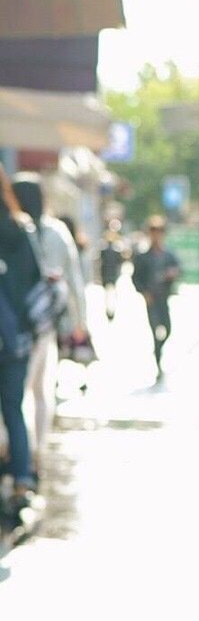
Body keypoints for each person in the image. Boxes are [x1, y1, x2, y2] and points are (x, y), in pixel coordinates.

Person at [12, 174, 88, 467]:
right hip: (46, 321)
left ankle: (19, 449)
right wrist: (80, 321)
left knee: (21, 391)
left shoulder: (17, 229)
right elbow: (74, 279)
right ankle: (37, 450)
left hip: (20, 321)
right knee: (42, 388)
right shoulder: (56, 232)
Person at [0, 165, 42, 526]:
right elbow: (36, 281)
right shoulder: (21, 226)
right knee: (14, 408)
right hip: (16, 338)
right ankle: (22, 478)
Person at [131, 216, 181, 378]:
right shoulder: (143, 257)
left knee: (168, 328)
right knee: (154, 330)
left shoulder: (168, 255)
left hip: (164, 298)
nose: (156, 235)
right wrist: (144, 293)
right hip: (151, 299)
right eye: (154, 232)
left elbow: (178, 268)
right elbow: (135, 278)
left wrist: (172, 274)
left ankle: (158, 349)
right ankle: (158, 361)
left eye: (159, 232)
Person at [99, 227, 126, 321]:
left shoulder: (108, 250)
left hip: (108, 273)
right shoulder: (112, 250)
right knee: (110, 293)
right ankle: (110, 309)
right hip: (110, 273)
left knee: (109, 293)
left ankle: (110, 309)